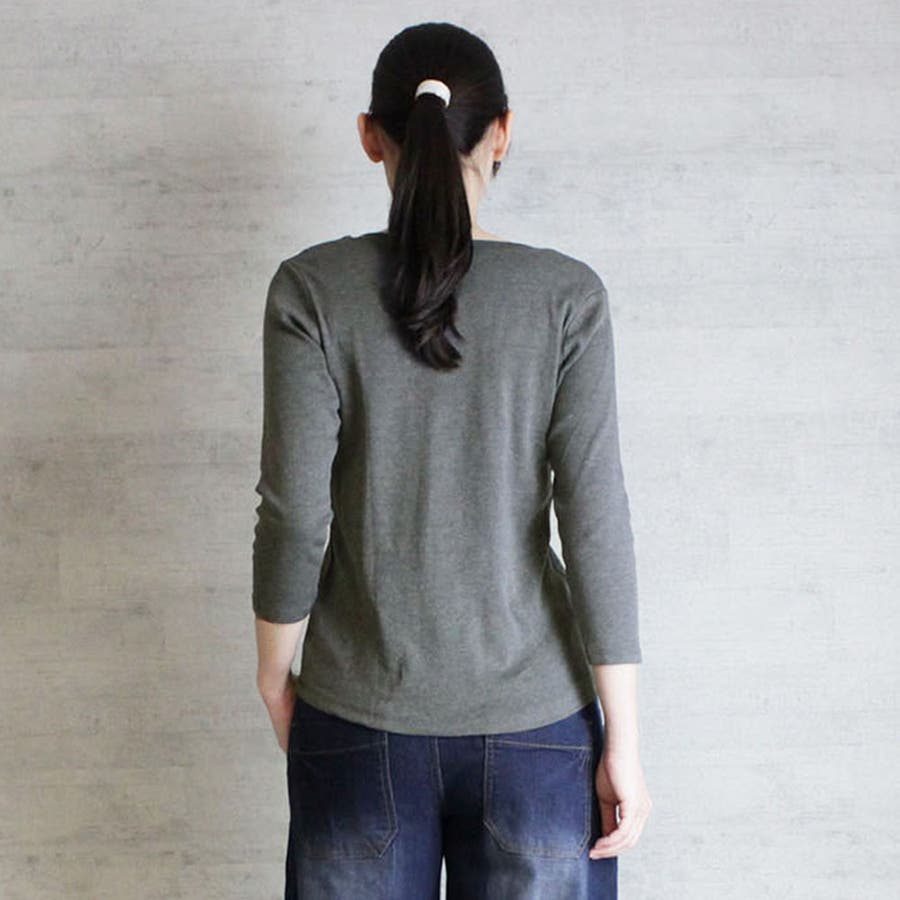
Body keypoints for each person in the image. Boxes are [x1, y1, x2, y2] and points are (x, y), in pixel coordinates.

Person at [252, 21, 652, 900]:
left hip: (356, 717)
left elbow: (293, 512)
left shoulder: (312, 291)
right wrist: (623, 740)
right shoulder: (565, 297)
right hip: (538, 730)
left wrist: (275, 675)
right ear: (501, 132)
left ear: (371, 136)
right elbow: (596, 522)